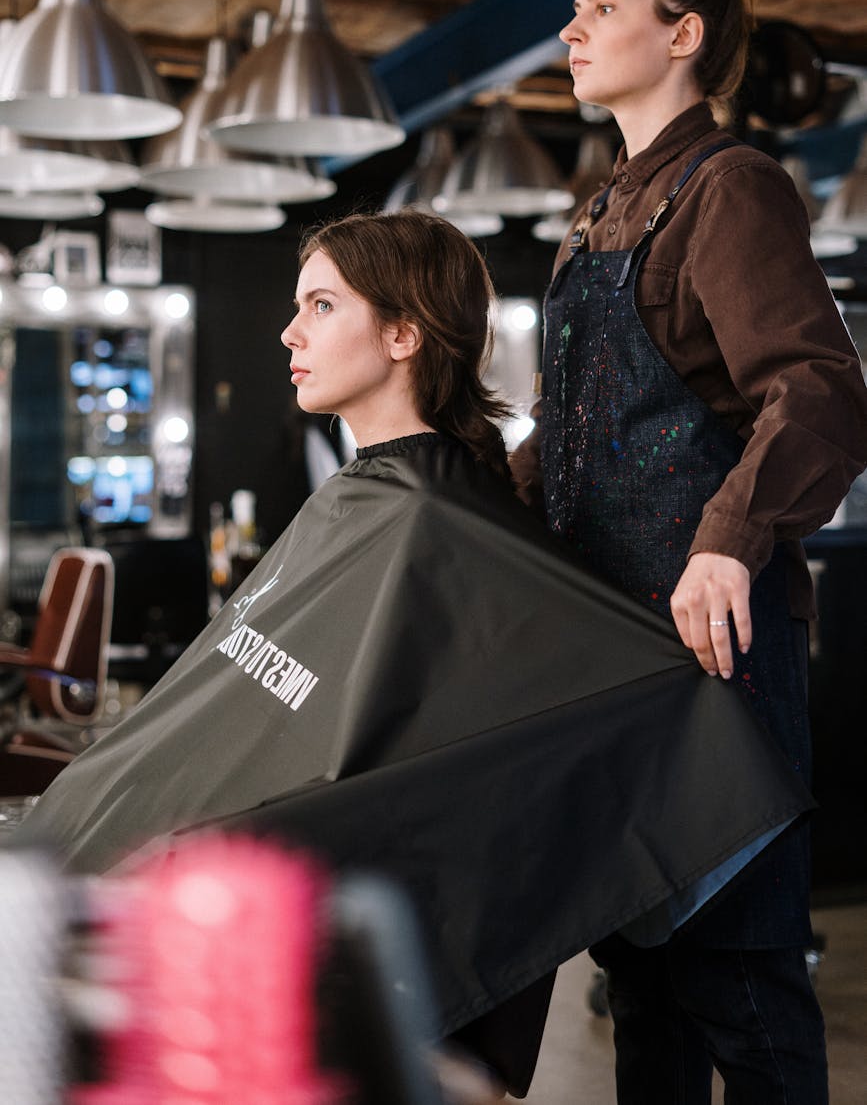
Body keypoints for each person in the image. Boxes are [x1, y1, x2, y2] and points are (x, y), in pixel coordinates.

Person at [16, 211, 812, 1097]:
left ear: (403, 334)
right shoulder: (368, 503)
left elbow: (418, 773)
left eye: (321, 305)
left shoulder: (439, 526)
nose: (288, 332)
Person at [511, 0, 867, 1104]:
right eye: (573, 11)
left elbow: (818, 392)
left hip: (719, 649)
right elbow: (563, 444)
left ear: (684, 34)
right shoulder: (596, 219)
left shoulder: (730, 187)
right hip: (612, 660)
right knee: (645, 979)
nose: (571, 30)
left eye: (601, 7)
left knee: (738, 980)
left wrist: (727, 542)